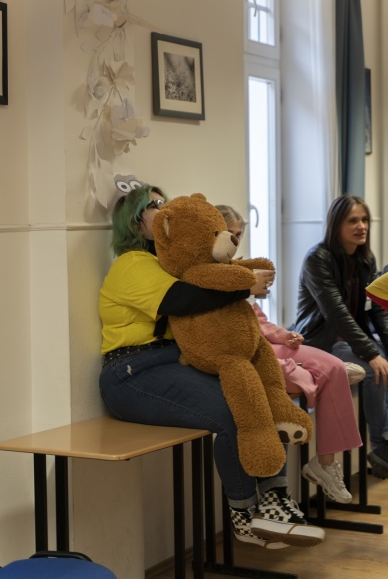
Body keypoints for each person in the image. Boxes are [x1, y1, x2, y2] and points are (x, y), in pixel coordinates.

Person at [99, 185, 325, 550]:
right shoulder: (131, 264)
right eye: (155, 204)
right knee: (233, 409)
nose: (165, 207)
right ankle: (245, 514)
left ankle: (275, 499)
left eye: (165, 200)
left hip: (174, 361)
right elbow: (181, 300)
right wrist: (245, 286)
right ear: (134, 221)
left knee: (256, 396)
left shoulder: (170, 262)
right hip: (132, 372)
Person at [216, 204, 363, 504]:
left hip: (265, 341)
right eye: (229, 234)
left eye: (239, 234)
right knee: (322, 375)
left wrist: (284, 334)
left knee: (335, 368)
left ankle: (325, 464)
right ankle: (316, 377)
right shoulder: (205, 275)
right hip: (244, 351)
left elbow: (258, 320)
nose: (235, 241)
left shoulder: (241, 269)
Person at [293, 195, 388, 479]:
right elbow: (335, 312)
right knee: (372, 370)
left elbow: (376, 310)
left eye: (364, 220)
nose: (362, 226)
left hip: (351, 339)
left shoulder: (365, 259)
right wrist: (372, 353)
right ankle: (382, 445)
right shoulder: (318, 258)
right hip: (320, 342)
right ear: (336, 225)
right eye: (353, 221)